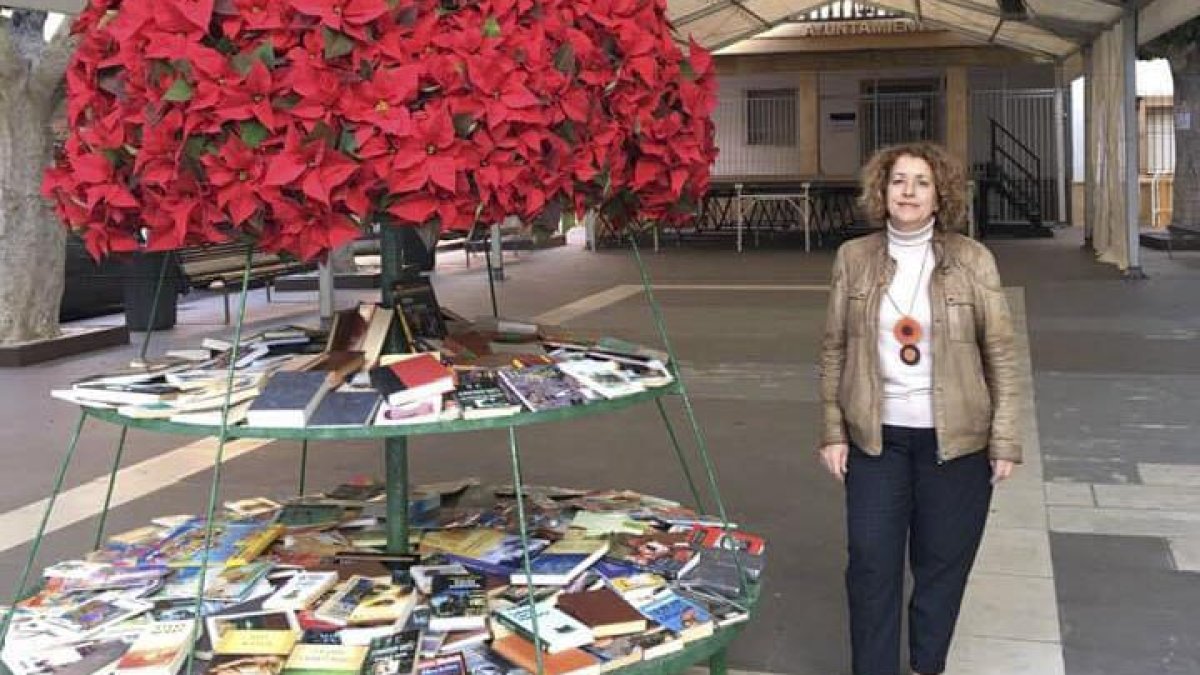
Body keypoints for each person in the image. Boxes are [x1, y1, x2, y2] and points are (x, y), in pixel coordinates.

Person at [817, 141, 1022, 675]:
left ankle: (926, 665)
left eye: (922, 182)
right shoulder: (853, 258)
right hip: (876, 439)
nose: (908, 192)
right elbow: (834, 348)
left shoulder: (972, 260)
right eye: (898, 180)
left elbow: (1000, 352)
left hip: (956, 443)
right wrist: (833, 430)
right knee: (870, 563)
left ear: (940, 196)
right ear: (881, 191)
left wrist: (1004, 438)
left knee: (941, 566)